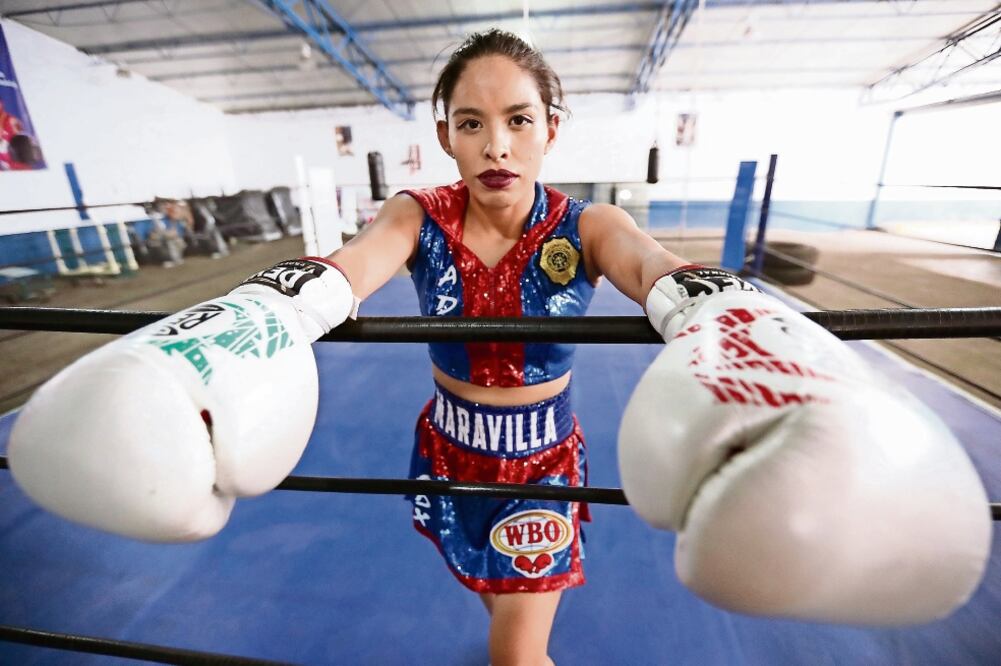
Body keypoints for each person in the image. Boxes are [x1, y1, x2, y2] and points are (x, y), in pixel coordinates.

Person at [9, 29, 990, 666]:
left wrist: (721, 315)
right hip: (442, 451)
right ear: (445, 133)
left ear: (548, 128)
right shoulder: (417, 213)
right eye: (471, 123)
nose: (495, 144)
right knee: (492, 610)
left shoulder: (588, 222)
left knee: (516, 655)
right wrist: (258, 320)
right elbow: (346, 270)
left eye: (516, 121)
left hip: (536, 469)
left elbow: (652, 267)